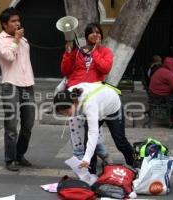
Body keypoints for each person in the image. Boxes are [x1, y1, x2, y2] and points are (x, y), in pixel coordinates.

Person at [59, 23, 114, 173]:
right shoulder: (77, 52)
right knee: (76, 129)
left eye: (98, 32)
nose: (95, 35)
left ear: (101, 35)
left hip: (94, 96)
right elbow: (65, 69)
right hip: (75, 96)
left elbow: (105, 68)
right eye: (91, 32)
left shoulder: (106, 52)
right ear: (86, 35)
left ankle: (105, 156)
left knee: (94, 129)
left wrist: (96, 52)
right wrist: (68, 53)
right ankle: (80, 161)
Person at [0, 7, 35, 171]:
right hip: (10, 84)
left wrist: (19, 40)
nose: (17, 23)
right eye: (13, 21)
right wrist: (16, 40)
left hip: (27, 84)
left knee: (28, 124)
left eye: (18, 20)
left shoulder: (24, 40)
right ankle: (10, 159)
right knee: (11, 124)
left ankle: (20, 154)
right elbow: (9, 58)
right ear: (4, 24)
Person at [54, 82, 134, 169]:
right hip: (98, 107)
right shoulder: (68, 94)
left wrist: (86, 158)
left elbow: (93, 132)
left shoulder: (89, 105)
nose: (66, 115)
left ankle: (134, 164)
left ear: (73, 102)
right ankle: (91, 174)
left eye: (66, 112)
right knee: (87, 140)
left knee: (120, 142)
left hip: (113, 108)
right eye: (63, 114)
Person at [149, 57, 173, 125]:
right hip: (162, 98)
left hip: (155, 96)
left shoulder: (161, 70)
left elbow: (172, 84)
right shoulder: (168, 74)